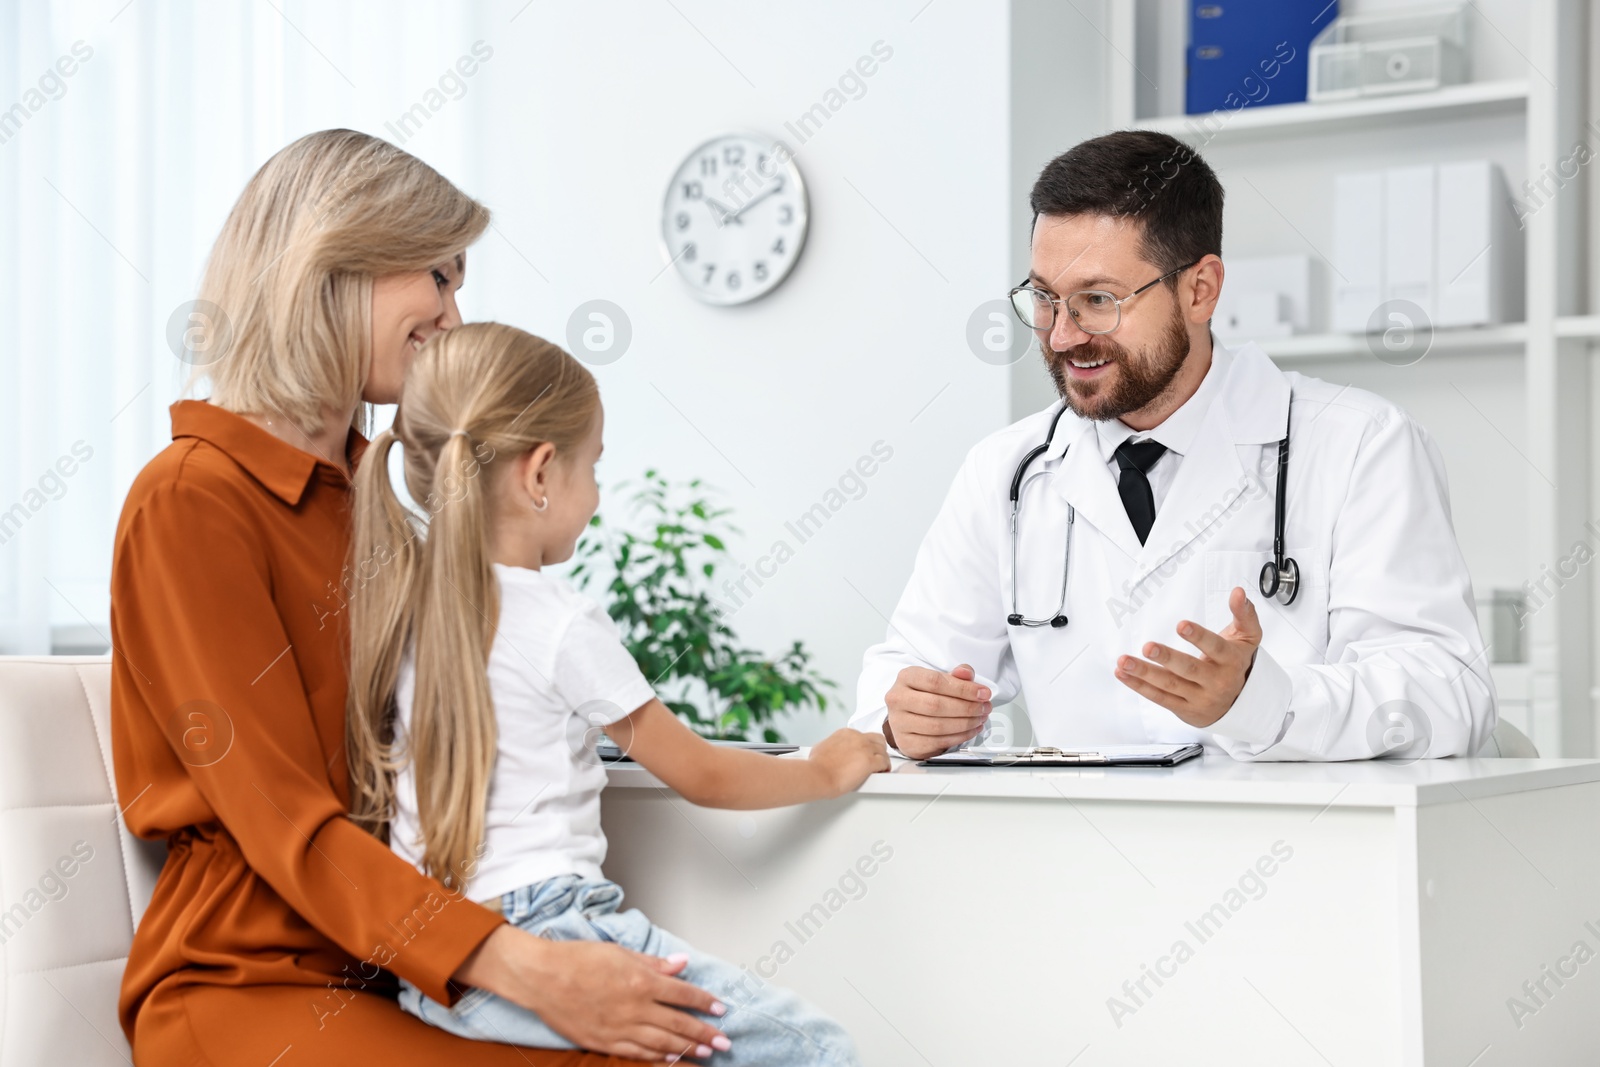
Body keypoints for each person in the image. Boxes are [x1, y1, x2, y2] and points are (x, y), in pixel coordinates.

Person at [110, 129, 731, 1065]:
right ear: (334, 266)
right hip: (252, 981)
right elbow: (286, 818)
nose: (453, 313)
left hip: (408, 971)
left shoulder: (382, 500)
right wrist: (524, 965)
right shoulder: (192, 500)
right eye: (438, 276)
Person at [849, 130, 1496, 762]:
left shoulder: (1360, 445)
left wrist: (1262, 700)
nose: (1063, 335)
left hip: (1300, 853)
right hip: (1075, 854)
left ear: (1200, 288)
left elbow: (1450, 695)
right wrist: (903, 719)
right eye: (1045, 299)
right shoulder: (1006, 471)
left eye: (1098, 300)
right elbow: (906, 673)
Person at [344, 321, 885, 1064]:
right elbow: (703, 772)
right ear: (539, 475)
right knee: (820, 1049)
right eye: (592, 466)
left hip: (444, 969)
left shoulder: (399, 608)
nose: (597, 495)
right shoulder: (559, 620)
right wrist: (827, 767)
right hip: (554, 932)